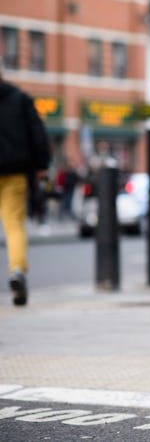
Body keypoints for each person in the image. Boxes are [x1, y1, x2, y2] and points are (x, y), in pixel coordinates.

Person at [0, 64, 51, 306]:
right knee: (14, 225)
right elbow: (38, 134)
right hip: (15, 172)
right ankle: (17, 270)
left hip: (15, 171)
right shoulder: (20, 99)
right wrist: (42, 165)